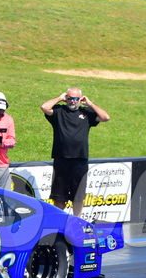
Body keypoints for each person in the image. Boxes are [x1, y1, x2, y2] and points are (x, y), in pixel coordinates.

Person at [41, 87, 110, 218]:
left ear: (80, 99)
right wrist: (59, 98)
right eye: (70, 98)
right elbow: (44, 107)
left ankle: (77, 221)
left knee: (78, 196)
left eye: (75, 99)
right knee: (59, 196)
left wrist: (90, 104)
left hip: (80, 160)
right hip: (61, 159)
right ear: (66, 98)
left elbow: (105, 117)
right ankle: (59, 221)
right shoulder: (59, 111)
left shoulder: (86, 112)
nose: (72, 101)